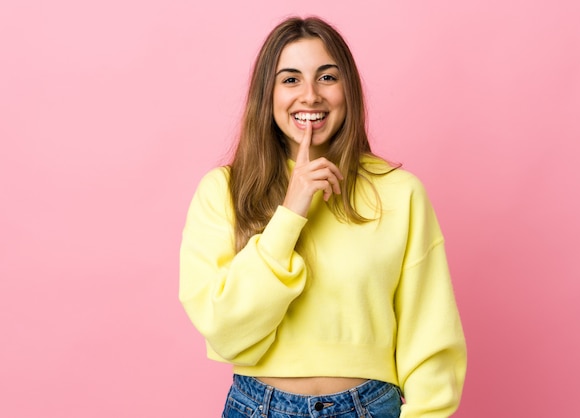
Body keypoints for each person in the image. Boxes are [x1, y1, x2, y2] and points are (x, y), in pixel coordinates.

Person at [179, 16, 467, 417]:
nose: (310, 95)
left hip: (370, 406)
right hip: (256, 407)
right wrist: (290, 213)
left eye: (327, 77)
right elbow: (223, 328)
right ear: (268, 94)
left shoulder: (401, 193)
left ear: (348, 89)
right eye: (291, 79)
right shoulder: (223, 191)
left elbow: (430, 331)